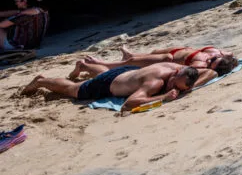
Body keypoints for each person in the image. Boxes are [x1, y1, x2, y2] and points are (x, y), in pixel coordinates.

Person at [22, 62, 201, 111]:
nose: (172, 86)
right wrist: (163, 97)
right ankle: (41, 81)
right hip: (109, 84)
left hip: (128, 72)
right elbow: (130, 103)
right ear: (176, 74)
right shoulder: (157, 82)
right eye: (173, 83)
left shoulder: (174, 67)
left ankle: (84, 65)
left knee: (103, 73)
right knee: (75, 90)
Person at [70, 45, 237, 80]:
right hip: (177, 50)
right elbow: (232, 56)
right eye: (214, 59)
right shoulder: (217, 52)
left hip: (169, 59)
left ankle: (102, 63)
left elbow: (183, 73)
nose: (210, 60)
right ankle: (130, 54)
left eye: (211, 63)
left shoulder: (201, 66)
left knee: (134, 62)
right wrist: (231, 61)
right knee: (147, 54)